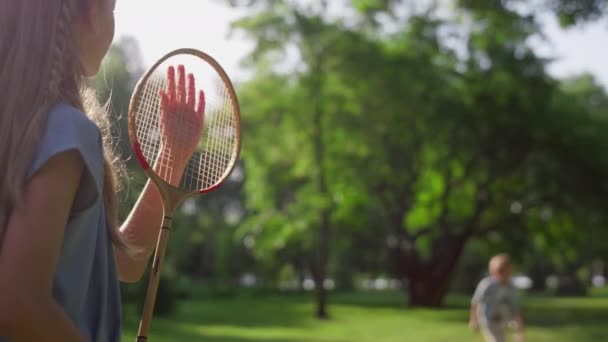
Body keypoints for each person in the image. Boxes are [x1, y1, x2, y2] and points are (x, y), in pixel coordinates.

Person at [0, 0, 203, 341]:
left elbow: (124, 264)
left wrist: (172, 156)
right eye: (113, 9)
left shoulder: (21, 127)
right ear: (92, 13)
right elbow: (18, 303)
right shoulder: (66, 131)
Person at [469, 254, 525, 342]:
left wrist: (519, 332)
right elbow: (475, 301)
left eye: (506, 271)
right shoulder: (487, 284)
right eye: (500, 271)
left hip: (503, 321)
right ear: (493, 271)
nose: (503, 274)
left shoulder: (511, 288)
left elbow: (517, 309)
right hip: (488, 320)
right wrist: (473, 320)